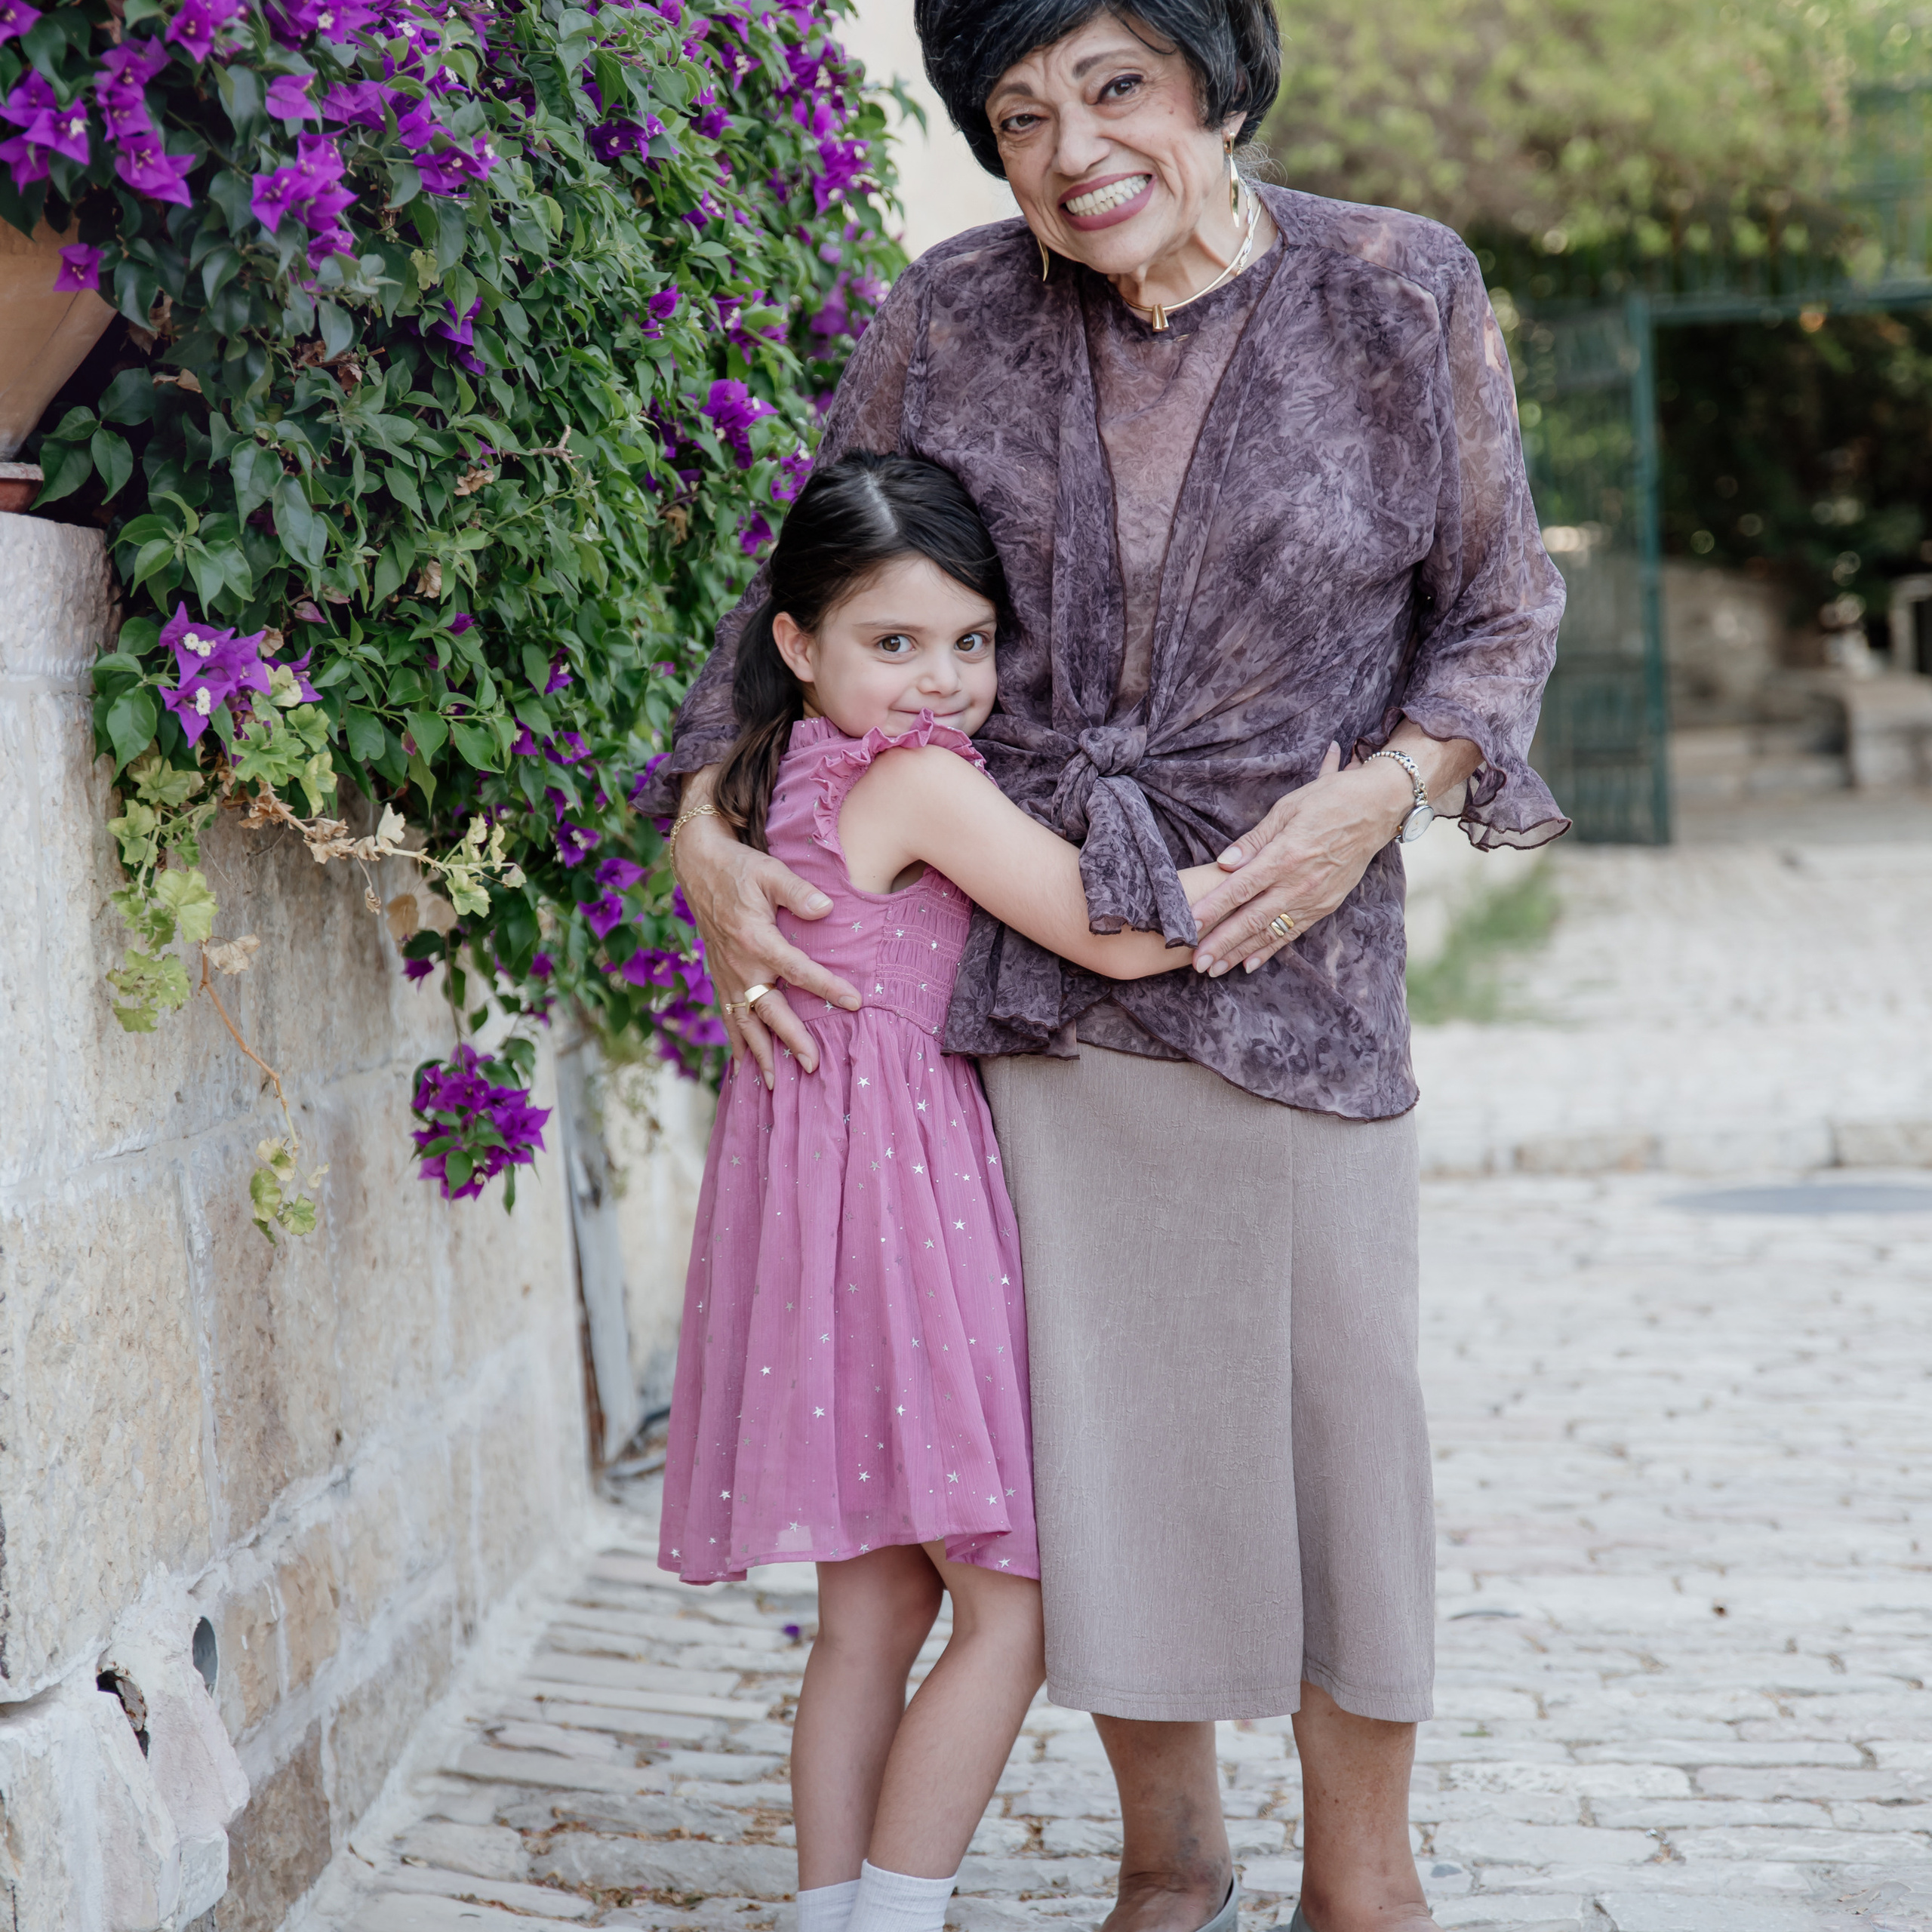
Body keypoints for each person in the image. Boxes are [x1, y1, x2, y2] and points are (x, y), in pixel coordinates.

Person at [639, 5, 1570, 1928]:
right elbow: (799, 602)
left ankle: (1362, 1874)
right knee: (1106, 1439)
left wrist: (1381, 793)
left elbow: (1497, 606)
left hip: (1300, 946)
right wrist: (699, 829)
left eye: (1113, 88)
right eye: (1017, 112)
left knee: (1338, 1424)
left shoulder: (1398, 288)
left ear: (1215, 81)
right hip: (1033, 975)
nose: (1070, 151)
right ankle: (1169, 1857)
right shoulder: (949, 310)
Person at [657, 451, 1228, 1932]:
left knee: (869, 1609)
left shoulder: (769, 776)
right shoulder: (912, 781)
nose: (938, 681)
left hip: (804, 1197)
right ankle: (897, 1912)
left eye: (968, 641)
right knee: (1008, 1601)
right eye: (891, 642)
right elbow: (1104, 935)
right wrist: (1278, 878)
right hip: (902, 1203)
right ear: (795, 645)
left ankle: (831, 1915)